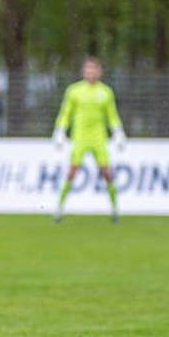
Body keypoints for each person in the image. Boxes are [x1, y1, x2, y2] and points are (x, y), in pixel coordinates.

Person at [52, 56, 126, 223]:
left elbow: (112, 115)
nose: (91, 72)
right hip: (80, 136)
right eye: (88, 69)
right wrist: (60, 130)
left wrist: (118, 131)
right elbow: (66, 113)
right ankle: (59, 208)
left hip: (99, 136)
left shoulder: (105, 92)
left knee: (106, 172)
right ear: (83, 71)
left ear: (99, 72)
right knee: (72, 171)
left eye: (94, 69)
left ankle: (114, 209)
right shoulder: (74, 91)